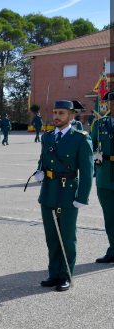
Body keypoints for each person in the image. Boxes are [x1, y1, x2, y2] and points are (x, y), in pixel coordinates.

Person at [33, 100, 93, 291]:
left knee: (67, 237)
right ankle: (53, 274)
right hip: (49, 191)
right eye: (55, 112)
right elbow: (43, 159)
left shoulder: (81, 138)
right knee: (51, 236)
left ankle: (66, 274)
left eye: (61, 113)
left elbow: (87, 169)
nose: (56, 116)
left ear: (71, 116)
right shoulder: (48, 137)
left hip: (68, 192)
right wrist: (39, 171)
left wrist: (82, 196)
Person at [92, 92, 114, 263]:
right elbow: (90, 149)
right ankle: (113, 250)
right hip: (105, 176)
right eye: (111, 102)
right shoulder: (99, 124)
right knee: (109, 217)